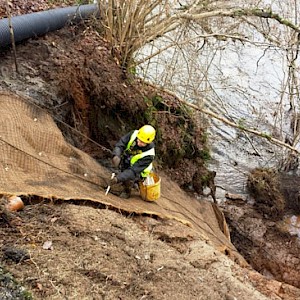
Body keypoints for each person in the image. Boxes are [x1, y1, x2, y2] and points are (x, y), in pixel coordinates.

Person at [108, 125, 156, 199]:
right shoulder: (134, 134)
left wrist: (118, 178)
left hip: (139, 171)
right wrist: (116, 155)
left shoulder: (149, 155)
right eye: (139, 140)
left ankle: (127, 191)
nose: (139, 143)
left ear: (149, 142)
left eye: (143, 142)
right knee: (122, 168)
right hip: (128, 160)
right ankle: (122, 178)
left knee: (129, 177)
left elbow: (133, 171)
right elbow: (121, 144)